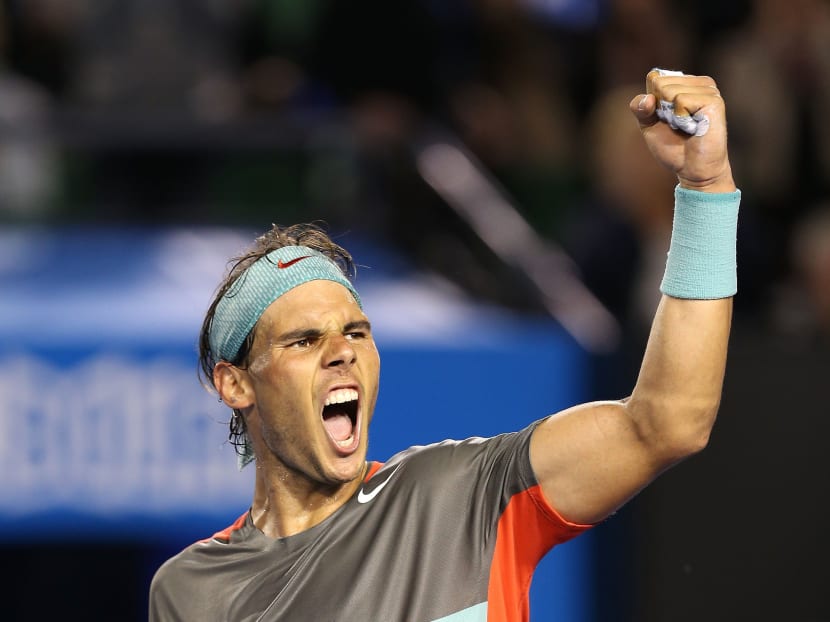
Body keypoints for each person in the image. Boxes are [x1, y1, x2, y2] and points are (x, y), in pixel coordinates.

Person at [149, 70, 740, 621]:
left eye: (356, 332)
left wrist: (706, 189)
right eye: (304, 340)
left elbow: (667, 422)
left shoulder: (462, 496)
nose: (342, 351)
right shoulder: (192, 591)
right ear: (236, 383)